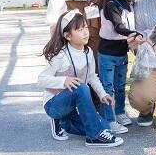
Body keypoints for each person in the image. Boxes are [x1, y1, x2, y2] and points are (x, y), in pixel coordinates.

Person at [38, 10, 123, 147]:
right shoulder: (61, 55)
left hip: (71, 108)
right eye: (79, 29)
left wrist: (103, 94)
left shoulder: (88, 52)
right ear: (68, 36)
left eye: (86, 28)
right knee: (81, 88)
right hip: (54, 104)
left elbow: (91, 77)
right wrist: (63, 81)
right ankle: (93, 138)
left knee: (105, 127)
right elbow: (41, 79)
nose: (85, 32)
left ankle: (65, 123)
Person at [98, 0, 143, 132]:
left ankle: (119, 112)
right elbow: (118, 27)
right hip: (107, 54)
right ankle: (109, 120)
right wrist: (134, 33)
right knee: (108, 87)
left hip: (121, 54)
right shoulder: (110, 5)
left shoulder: (127, 3)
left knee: (120, 85)